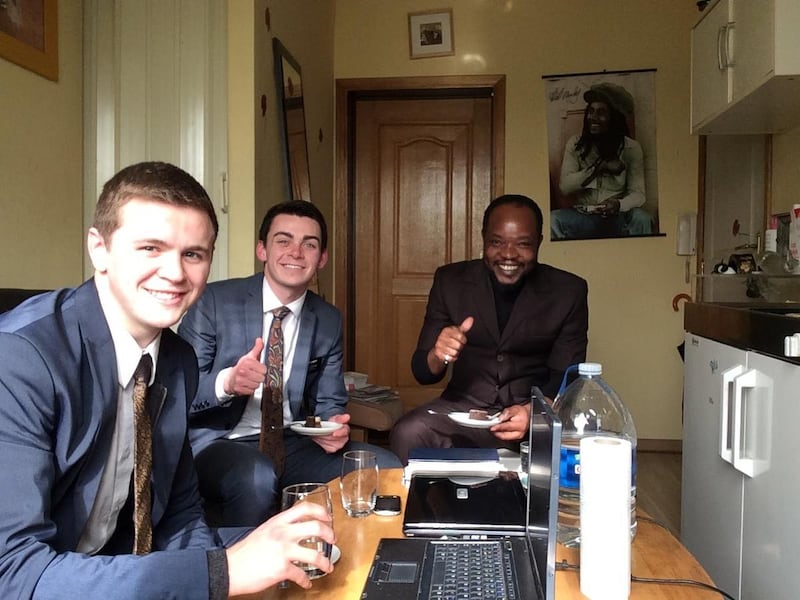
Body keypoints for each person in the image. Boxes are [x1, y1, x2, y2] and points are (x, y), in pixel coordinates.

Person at [0, 162, 335, 599]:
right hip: (54, 580)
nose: (175, 273)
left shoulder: (176, 359)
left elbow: (179, 511)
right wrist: (222, 572)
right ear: (99, 248)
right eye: (150, 248)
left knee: (315, 555)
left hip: (131, 561)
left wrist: (218, 580)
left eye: (192, 254)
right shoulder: (21, 358)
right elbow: (14, 574)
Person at [178, 200, 401, 527]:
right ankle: (243, 558)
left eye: (309, 244)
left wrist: (333, 427)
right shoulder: (212, 301)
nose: (295, 252)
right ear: (262, 250)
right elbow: (179, 392)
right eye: (283, 241)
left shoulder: (327, 318)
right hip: (220, 443)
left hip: (292, 442)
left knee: (384, 465)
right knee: (256, 476)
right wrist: (227, 383)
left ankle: (346, 553)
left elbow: (329, 401)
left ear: (321, 258)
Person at [389, 194, 588, 464]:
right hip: (462, 411)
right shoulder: (450, 281)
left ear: (539, 242)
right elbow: (422, 372)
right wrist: (438, 354)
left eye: (523, 244)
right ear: (483, 238)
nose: (508, 254)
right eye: (497, 242)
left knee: (578, 453)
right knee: (408, 432)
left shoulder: (568, 291)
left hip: (531, 414)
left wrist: (534, 413)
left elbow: (568, 376)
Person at [551, 82, 654, 240]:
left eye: (601, 113)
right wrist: (598, 168)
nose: (593, 117)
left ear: (614, 118)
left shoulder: (631, 148)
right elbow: (565, 187)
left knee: (643, 218)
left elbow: (638, 194)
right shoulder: (576, 144)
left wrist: (618, 205)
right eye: (591, 111)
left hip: (618, 216)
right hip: (584, 215)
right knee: (553, 220)